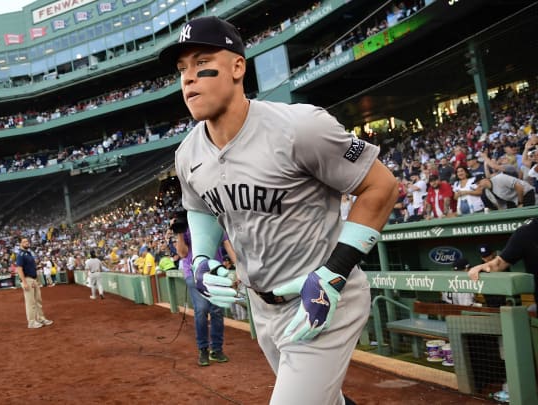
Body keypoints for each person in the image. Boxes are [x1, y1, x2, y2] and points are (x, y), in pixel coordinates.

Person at [160, 16, 397, 405]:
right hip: (263, 306)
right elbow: (199, 207)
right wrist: (202, 257)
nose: (188, 78)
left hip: (322, 294)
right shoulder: (187, 153)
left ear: (237, 67)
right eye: (181, 70)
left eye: (202, 64)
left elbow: (381, 186)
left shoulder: (299, 127)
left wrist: (334, 273)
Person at [172, 211, 237, 366]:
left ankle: (217, 349)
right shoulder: (187, 226)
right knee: (201, 309)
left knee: (217, 310)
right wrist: (179, 232)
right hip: (193, 273)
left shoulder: (215, 223)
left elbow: (228, 246)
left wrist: (239, 267)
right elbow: (182, 253)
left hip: (215, 271)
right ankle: (203, 349)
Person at [469, 219, 538, 314]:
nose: (486, 258)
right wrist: (484, 266)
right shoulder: (526, 232)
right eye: (484, 257)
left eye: (488, 255)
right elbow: (499, 263)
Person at [15, 238, 54, 329]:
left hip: (33, 279)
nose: (26, 243)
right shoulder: (20, 254)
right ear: (20, 244)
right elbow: (19, 269)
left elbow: (29, 267)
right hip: (27, 279)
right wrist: (24, 282)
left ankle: (40, 318)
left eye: (27, 241)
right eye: (24, 242)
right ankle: (31, 322)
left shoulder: (28, 253)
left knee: (38, 300)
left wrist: (37, 267)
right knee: (30, 302)